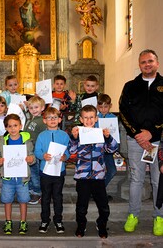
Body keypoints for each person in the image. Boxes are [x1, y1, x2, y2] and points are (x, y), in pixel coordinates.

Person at [119, 49, 163, 236]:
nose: (147, 64)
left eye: (150, 61)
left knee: (158, 180)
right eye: (144, 62)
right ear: (139, 65)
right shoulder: (130, 86)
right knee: (136, 179)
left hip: (159, 141)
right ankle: (133, 215)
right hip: (135, 140)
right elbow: (123, 112)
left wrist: (151, 133)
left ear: (157, 63)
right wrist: (138, 134)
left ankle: (159, 216)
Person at [68, 105, 118, 238]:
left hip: (98, 176)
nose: (88, 120)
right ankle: (81, 225)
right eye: (85, 118)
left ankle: (101, 224)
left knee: (103, 206)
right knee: (81, 205)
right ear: (81, 119)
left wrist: (108, 137)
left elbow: (112, 149)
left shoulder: (101, 133)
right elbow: (71, 151)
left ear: (96, 119)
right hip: (83, 177)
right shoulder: (78, 133)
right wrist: (73, 138)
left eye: (91, 117)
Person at [0, 114, 35, 235]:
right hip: (8, 178)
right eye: (10, 126)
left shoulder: (27, 140)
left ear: (20, 126)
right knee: (7, 200)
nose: (13, 129)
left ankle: (23, 222)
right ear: (6, 128)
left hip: (22, 178)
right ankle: (8, 221)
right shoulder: (2, 140)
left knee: (23, 200)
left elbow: (32, 156)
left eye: (15, 125)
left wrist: (31, 159)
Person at [34, 107, 70, 234]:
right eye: (49, 117)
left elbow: (67, 151)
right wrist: (42, 156)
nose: (53, 120)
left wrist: (65, 157)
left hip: (59, 171)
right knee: (45, 197)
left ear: (60, 119)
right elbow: (36, 151)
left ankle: (58, 220)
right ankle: (45, 220)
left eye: (55, 117)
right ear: (44, 121)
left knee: (58, 197)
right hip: (45, 171)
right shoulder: (41, 136)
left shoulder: (64, 135)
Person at [24, 96, 46, 204]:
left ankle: (37, 193)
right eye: (31, 107)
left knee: (35, 172)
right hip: (28, 150)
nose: (34, 110)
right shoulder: (29, 119)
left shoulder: (42, 121)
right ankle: (31, 190)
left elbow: (44, 137)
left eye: (36, 107)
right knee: (30, 172)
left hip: (35, 150)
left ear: (42, 108)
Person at [96, 94, 117, 190]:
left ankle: (99, 190)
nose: (103, 109)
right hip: (97, 149)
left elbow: (115, 135)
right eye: (101, 107)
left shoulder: (114, 118)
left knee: (112, 170)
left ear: (110, 106)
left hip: (108, 150)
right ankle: (96, 192)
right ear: (97, 107)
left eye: (106, 107)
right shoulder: (95, 118)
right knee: (98, 171)